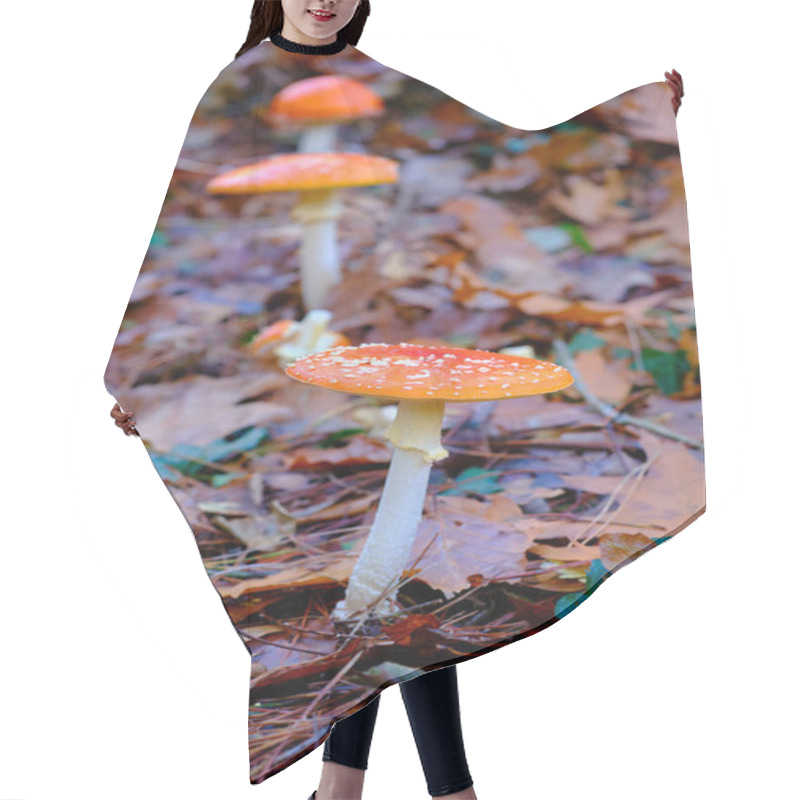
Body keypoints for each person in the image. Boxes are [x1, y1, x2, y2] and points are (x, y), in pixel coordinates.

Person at [109, 4, 685, 799]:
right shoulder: (238, 88)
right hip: (279, 379)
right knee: (371, 589)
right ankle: (424, 790)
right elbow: (174, 253)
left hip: (385, 362)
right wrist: (144, 374)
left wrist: (635, 120)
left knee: (387, 589)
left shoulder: (378, 84)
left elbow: (505, 149)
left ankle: (352, 788)